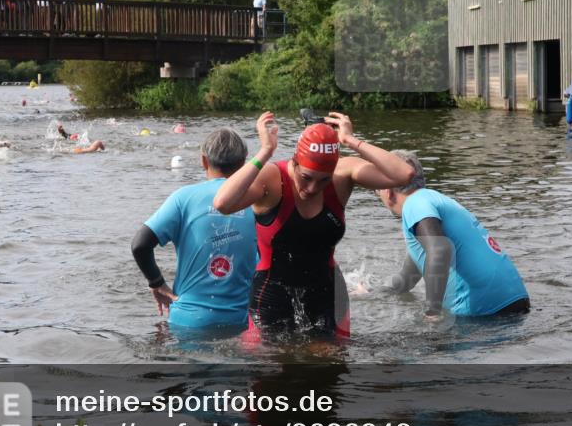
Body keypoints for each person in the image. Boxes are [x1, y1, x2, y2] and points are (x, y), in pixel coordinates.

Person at [213, 111, 415, 338]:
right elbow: (222, 203)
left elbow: (404, 174)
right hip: (272, 294)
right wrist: (265, 151)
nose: (312, 189)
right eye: (306, 177)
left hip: (327, 293)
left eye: (323, 180)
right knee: (271, 366)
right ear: (294, 161)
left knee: (330, 365)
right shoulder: (272, 177)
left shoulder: (343, 174)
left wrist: (351, 141)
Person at [376, 150, 530, 319]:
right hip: (516, 304)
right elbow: (407, 279)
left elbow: (440, 250)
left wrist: (432, 313)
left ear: (388, 189)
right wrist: (372, 294)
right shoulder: (433, 202)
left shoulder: (415, 204)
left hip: (485, 313)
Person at [132, 129, 258, 331]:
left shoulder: (183, 198)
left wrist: (157, 283)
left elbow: (140, 245)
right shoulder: (257, 201)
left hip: (188, 322)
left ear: (204, 161)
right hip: (242, 323)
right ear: (244, 163)